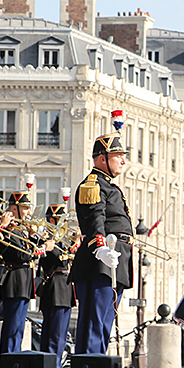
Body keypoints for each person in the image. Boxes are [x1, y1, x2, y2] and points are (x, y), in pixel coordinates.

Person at [70, 134, 132, 356]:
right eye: (118, 156)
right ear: (102, 159)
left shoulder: (109, 187)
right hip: (101, 262)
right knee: (93, 326)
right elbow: (95, 218)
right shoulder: (92, 185)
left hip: (117, 260)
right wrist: (100, 247)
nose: (123, 161)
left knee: (104, 324)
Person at [35, 204, 75, 368]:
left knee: (57, 332)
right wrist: (72, 245)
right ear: (52, 220)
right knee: (54, 334)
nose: (64, 223)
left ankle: (50, 367)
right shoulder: (47, 238)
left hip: (64, 288)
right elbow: (60, 257)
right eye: (61, 219)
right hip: (56, 288)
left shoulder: (62, 238)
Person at [0, 191, 36, 354]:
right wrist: (33, 240)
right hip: (15, 282)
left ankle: (14, 360)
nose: (29, 213)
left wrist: (32, 236)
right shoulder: (11, 230)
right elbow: (22, 255)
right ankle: (9, 363)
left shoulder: (19, 230)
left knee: (18, 328)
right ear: (14, 209)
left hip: (23, 282)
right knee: (12, 327)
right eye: (25, 208)